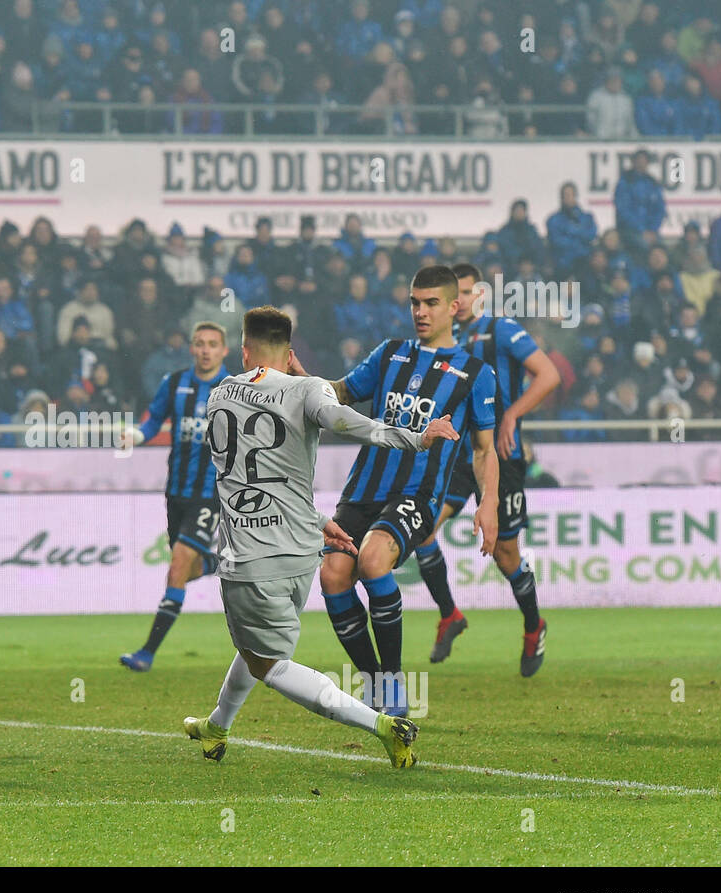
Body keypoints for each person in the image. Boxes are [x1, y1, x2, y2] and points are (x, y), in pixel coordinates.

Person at [181, 306, 460, 768]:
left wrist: (415, 438)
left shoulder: (218, 396)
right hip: (301, 552)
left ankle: (381, 725)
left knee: (269, 664)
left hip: (250, 556)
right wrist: (414, 436)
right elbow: (343, 421)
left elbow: (250, 477)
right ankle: (216, 726)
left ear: (243, 351)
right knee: (255, 649)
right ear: (290, 355)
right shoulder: (307, 388)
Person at [320, 266, 499, 716]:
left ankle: (395, 680)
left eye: (431, 303)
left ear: (454, 307)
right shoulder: (390, 354)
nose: (420, 311)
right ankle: (375, 681)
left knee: (374, 559)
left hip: (416, 495)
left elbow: (484, 450)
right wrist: (304, 384)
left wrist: (489, 503)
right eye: (414, 303)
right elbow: (342, 392)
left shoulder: (476, 373)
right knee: (332, 577)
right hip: (363, 489)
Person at [413, 264, 559, 675]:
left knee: (504, 551)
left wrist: (511, 415)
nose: (456, 302)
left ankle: (534, 625)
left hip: (499, 454)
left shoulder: (503, 330)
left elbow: (548, 376)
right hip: (453, 456)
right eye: (450, 295)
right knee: (421, 529)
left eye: (462, 293)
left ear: (478, 293)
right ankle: (449, 615)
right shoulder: (442, 339)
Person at [117, 322, 229, 672]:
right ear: (192, 349)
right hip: (176, 492)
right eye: (199, 344)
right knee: (186, 569)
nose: (206, 350)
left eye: (212, 344)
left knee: (178, 566)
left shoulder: (233, 389)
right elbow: (153, 421)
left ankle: (147, 653)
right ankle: (220, 563)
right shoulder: (176, 382)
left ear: (224, 350)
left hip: (210, 494)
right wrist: (136, 434)